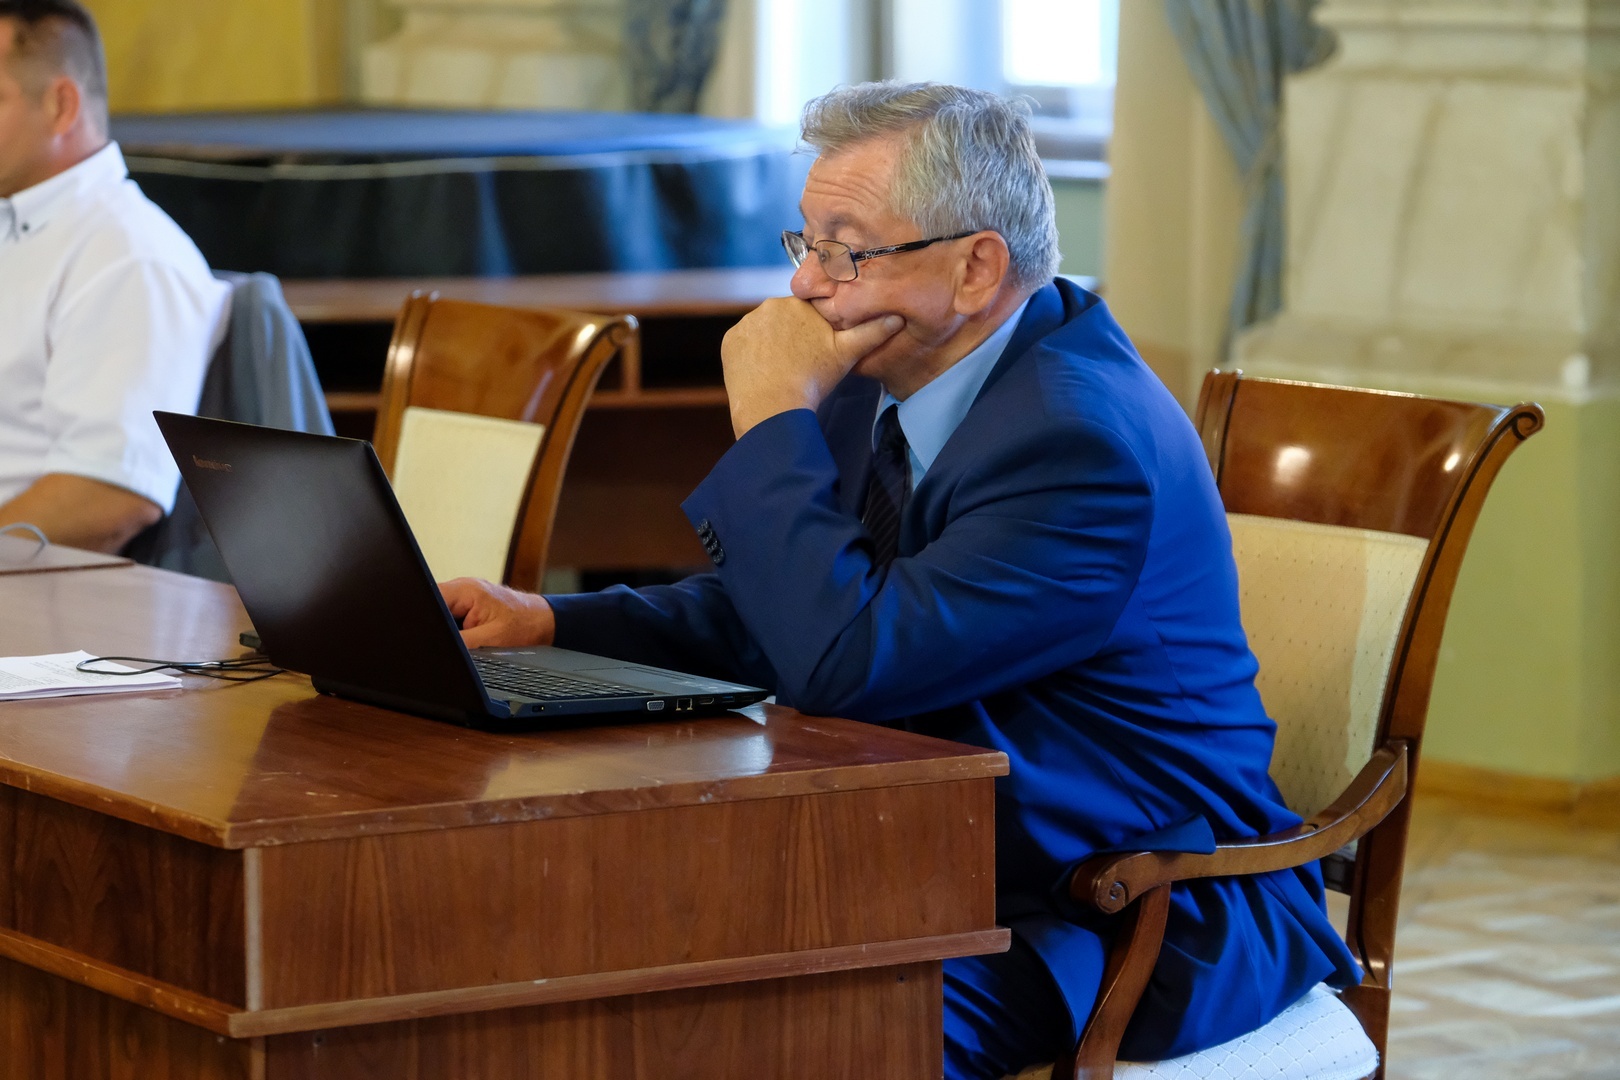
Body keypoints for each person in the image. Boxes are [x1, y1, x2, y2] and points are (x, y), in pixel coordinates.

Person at [442, 82, 1360, 1079]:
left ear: (976, 268)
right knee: (588, 959)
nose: (805, 285)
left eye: (847, 251)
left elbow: (848, 658)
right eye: (806, 243)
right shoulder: (887, 372)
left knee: (763, 1040)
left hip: (1117, 906)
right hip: (928, 853)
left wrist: (772, 419)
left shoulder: (1076, 443)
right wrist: (549, 623)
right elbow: (797, 606)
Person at [0, 0, 228, 553]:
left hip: (37, 589)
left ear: (61, 106)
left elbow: (108, 495)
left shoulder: (128, 255)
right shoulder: (20, 225)